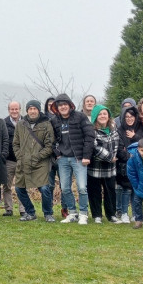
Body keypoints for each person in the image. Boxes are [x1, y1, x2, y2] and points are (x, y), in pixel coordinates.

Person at [50, 93, 95, 224]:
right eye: (60, 105)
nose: (63, 107)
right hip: (63, 159)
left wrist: (86, 156)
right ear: (56, 108)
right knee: (65, 188)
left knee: (81, 187)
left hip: (79, 158)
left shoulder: (80, 117)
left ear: (70, 105)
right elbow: (50, 139)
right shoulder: (54, 120)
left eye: (65, 104)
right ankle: (72, 213)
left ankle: (83, 214)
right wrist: (57, 153)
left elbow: (90, 136)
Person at [13, 100, 56, 222]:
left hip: (40, 162)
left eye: (34, 109)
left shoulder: (46, 124)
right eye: (30, 109)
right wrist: (19, 156)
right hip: (23, 161)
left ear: (38, 110)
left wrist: (37, 157)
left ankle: (48, 213)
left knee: (44, 188)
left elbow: (49, 146)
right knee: (19, 188)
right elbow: (15, 144)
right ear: (27, 110)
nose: (32, 111)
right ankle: (30, 212)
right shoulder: (20, 124)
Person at [88, 104, 120, 224]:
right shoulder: (92, 130)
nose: (102, 116)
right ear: (95, 116)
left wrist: (113, 157)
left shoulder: (113, 128)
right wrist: (110, 157)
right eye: (100, 114)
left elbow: (116, 143)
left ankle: (111, 214)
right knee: (95, 192)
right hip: (95, 167)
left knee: (110, 191)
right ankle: (97, 215)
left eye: (105, 114)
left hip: (110, 168)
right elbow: (95, 146)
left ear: (108, 116)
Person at [115, 105, 143, 223]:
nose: (129, 118)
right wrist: (130, 156)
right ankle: (124, 213)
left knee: (135, 189)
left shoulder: (141, 128)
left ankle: (135, 213)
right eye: (126, 116)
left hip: (140, 164)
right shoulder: (119, 130)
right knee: (126, 190)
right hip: (124, 165)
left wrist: (135, 137)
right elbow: (119, 149)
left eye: (131, 116)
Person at [0, 101, 23, 217]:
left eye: (16, 109)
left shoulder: (26, 122)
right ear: (9, 110)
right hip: (8, 160)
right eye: (12, 109)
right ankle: (8, 208)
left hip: (22, 160)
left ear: (20, 109)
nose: (14, 111)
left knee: (22, 185)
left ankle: (23, 209)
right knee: (7, 186)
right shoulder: (3, 123)